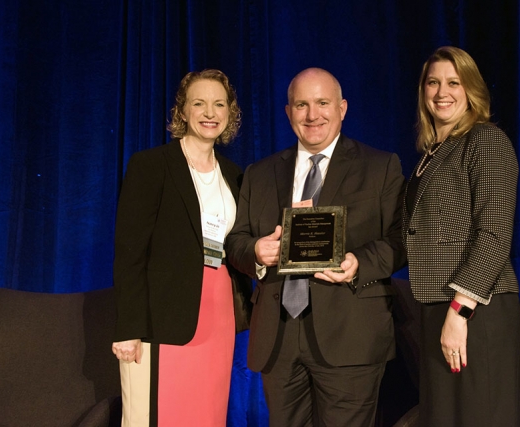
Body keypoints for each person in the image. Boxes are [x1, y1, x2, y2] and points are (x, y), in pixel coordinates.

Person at [226, 67, 406, 426]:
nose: (312, 115)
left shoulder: (380, 166)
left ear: (342, 108)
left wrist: (359, 262)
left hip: (350, 333)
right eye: (302, 105)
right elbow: (236, 241)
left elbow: (401, 240)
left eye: (323, 103)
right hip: (277, 338)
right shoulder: (260, 173)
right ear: (288, 111)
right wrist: (256, 253)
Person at [111, 69, 252, 427]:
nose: (210, 113)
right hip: (160, 322)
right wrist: (128, 328)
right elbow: (130, 253)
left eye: (219, 104)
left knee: (207, 416)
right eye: (199, 103)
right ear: (183, 112)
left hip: (218, 316)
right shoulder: (151, 165)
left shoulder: (236, 175)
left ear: (230, 113)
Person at [402, 46, 520, 426]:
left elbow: (493, 235)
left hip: (475, 311)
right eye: (433, 82)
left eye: (454, 82)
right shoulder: (431, 153)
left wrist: (459, 311)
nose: (443, 92)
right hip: (437, 307)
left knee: (481, 415)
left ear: (471, 89)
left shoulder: (485, 141)